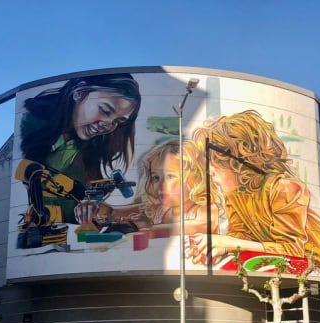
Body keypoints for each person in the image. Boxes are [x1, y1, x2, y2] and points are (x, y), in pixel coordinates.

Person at [184, 110, 320, 269]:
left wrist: (230, 243)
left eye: (216, 162)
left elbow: (293, 250)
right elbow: (240, 239)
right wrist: (218, 247)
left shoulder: (284, 188)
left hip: (313, 269)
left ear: (240, 162)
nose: (210, 171)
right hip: (272, 267)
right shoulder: (234, 194)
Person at [18, 73, 141, 224]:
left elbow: (80, 203)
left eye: (117, 121)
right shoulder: (32, 121)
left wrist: (89, 203)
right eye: (105, 110)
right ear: (79, 94)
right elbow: (25, 172)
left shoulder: (84, 146)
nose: (108, 125)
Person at [75, 138, 223, 236]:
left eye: (170, 176)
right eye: (155, 177)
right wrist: (95, 207)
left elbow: (201, 226)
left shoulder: (205, 209)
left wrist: (148, 229)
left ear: (196, 178)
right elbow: (113, 212)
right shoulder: (157, 208)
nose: (160, 185)